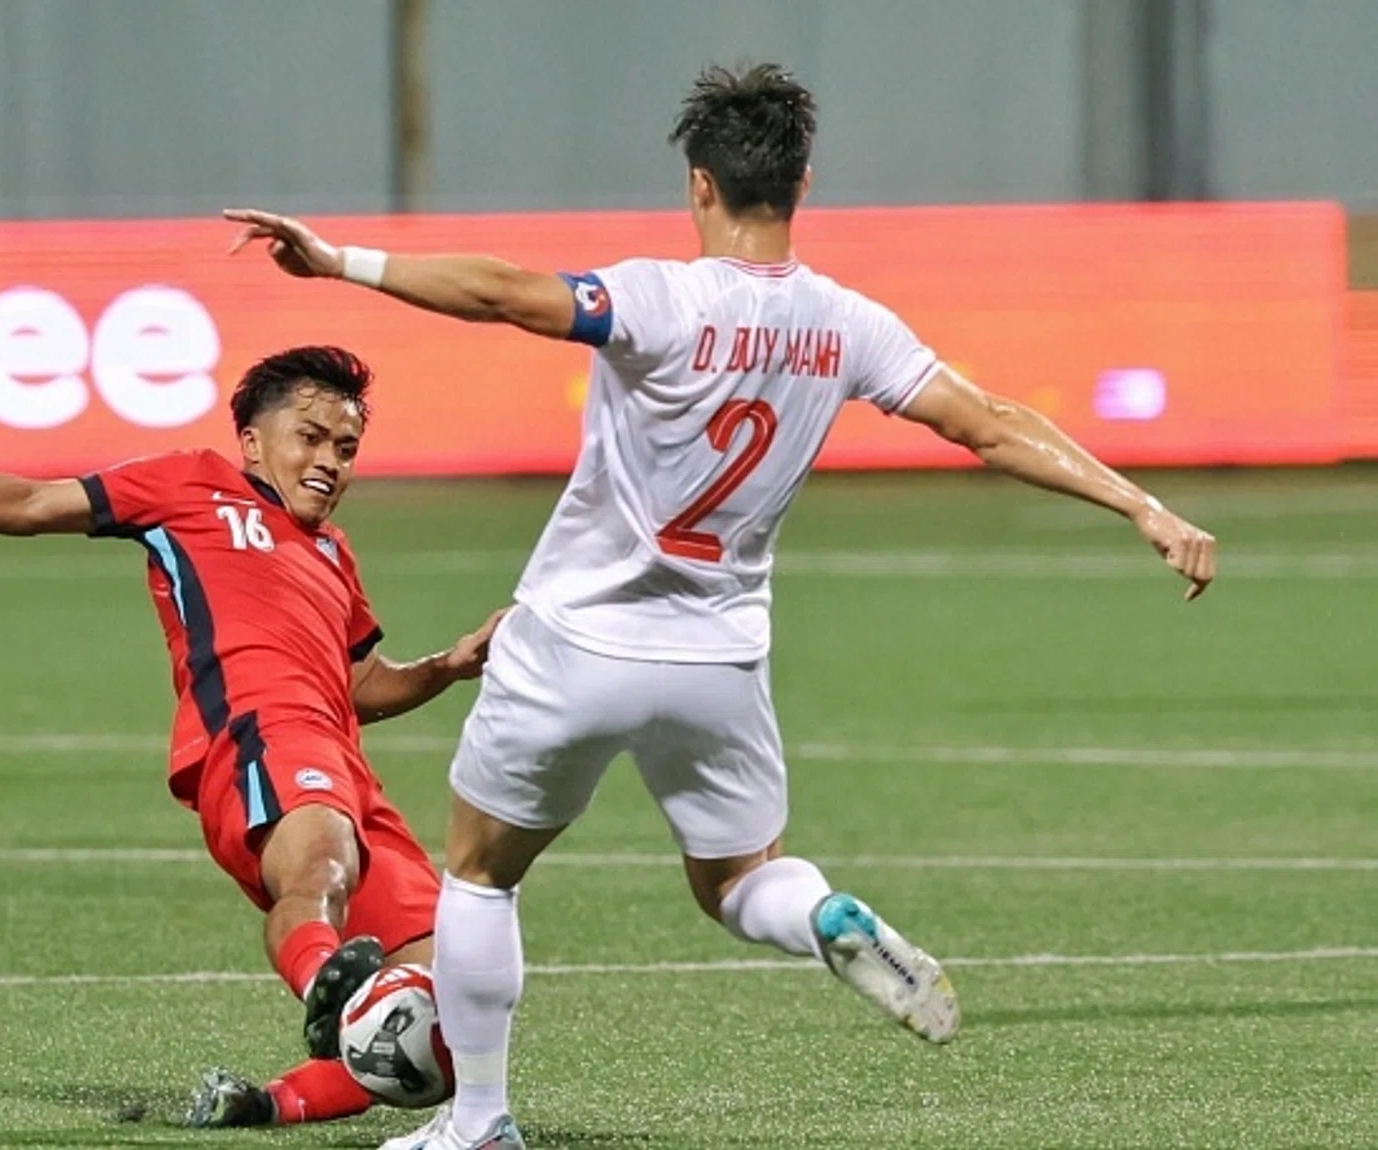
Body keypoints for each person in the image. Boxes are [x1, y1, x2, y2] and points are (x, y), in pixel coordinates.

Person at [226, 62, 1218, 1150]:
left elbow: (504, 292)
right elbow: (986, 421)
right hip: (718, 660)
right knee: (742, 881)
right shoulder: (845, 325)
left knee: (478, 872)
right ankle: (827, 915)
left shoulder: (656, 296)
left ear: (701, 186)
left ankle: (478, 1120)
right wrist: (1141, 505)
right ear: (802, 184)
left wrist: (341, 261)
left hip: (574, 644)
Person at [0, 345, 504, 1129]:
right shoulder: (191, 483)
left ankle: (267, 1104)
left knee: (452, 1007)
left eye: (345, 448)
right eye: (309, 437)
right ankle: (326, 989)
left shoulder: (334, 554)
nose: (329, 462)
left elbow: (363, 685)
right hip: (258, 735)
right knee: (319, 872)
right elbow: (32, 503)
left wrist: (451, 664)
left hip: (342, 763)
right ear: (252, 441)